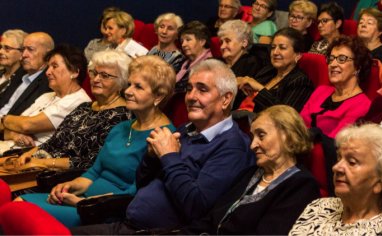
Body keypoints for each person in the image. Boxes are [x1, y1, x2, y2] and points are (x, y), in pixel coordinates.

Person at [70, 59, 255, 234]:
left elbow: (196, 207)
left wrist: (168, 156)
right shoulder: (186, 131)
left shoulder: (232, 147)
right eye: (189, 89)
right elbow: (143, 183)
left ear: (225, 99)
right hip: (129, 223)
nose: (191, 97)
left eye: (202, 90)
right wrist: (151, 158)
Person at [15, 55, 177, 227]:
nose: (128, 91)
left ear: (158, 96)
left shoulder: (164, 138)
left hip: (105, 212)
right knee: (17, 204)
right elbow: (93, 173)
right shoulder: (121, 127)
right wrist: (68, 186)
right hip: (81, 200)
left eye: (138, 87)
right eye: (129, 84)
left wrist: (81, 202)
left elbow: (136, 193)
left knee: (20, 211)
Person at [182, 105, 320, 235]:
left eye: (261, 135)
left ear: (288, 136)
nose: (253, 145)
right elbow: (210, 219)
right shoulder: (250, 173)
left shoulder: (302, 185)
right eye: (253, 137)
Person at [289, 124, 382, 235]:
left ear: (381, 182)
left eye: (352, 162)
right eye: (339, 158)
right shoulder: (319, 207)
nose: (336, 167)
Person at [16, 50, 132, 170]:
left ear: (121, 81)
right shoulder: (84, 107)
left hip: (67, 177)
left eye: (105, 75)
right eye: (94, 73)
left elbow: (91, 162)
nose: (96, 79)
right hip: (41, 166)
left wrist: (44, 163)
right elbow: (52, 142)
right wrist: (28, 155)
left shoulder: (122, 115)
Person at [0, 44, 92, 153]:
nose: (47, 72)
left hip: (31, 157)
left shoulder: (78, 101)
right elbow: (15, 125)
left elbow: (27, 125)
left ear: (74, 72)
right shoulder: (47, 96)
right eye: (48, 66)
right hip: (9, 147)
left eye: (54, 66)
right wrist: (13, 134)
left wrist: (4, 119)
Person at [301, 35, 372, 138]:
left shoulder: (362, 104)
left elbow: (334, 142)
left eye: (342, 59)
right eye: (331, 58)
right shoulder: (321, 90)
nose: (333, 64)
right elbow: (298, 124)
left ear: (357, 67)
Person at [236, 28, 314, 113]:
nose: (275, 52)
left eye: (282, 48)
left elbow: (285, 114)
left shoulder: (301, 81)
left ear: (298, 55)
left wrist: (260, 88)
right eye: (273, 47)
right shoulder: (267, 71)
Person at [0, 32, 54, 117]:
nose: (24, 55)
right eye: (23, 50)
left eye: (30, 49)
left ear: (48, 55)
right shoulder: (18, 75)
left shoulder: (49, 84)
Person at [176, 21, 212, 93]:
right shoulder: (183, 62)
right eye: (182, 41)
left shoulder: (209, 65)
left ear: (202, 42)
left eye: (188, 40)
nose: (183, 44)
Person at [0, 29, 27, 95]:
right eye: (0, 47)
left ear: (22, 53)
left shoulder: (24, 80)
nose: (0, 52)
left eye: (7, 48)